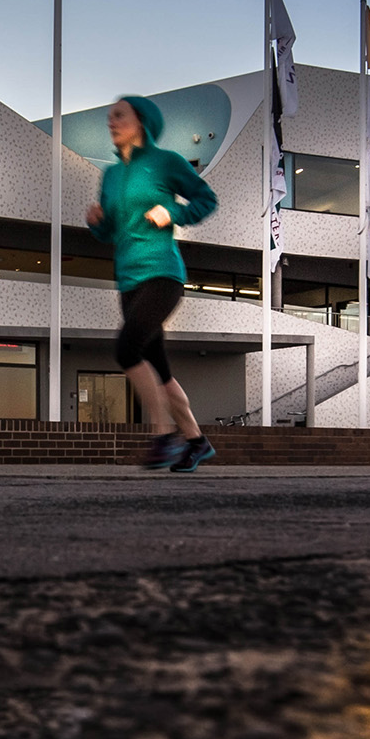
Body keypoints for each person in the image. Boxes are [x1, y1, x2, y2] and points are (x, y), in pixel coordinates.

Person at [85, 96, 220, 471]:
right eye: (108, 117)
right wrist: (97, 222)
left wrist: (172, 211)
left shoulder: (167, 163)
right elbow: (112, 232)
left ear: (141, 121)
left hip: (163, 274)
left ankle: (163, 436)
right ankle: (196, 440)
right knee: (159, 370)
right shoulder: (110, 176)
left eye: (118, 115)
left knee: (127, 350)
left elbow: (206, 199)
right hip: (128, 279)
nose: (110, 121)